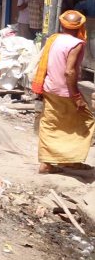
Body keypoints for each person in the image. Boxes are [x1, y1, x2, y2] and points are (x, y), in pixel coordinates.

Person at [31, 10, 95, 177]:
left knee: (51, 124)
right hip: (64, 91)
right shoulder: (77, 43)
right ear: (80, 27)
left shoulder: (54, 39)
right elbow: (69, 72)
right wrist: (76, 96)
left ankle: (63, 159)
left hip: (50, 88)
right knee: (85, 122)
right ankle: (61, 160)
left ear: (62, 25)